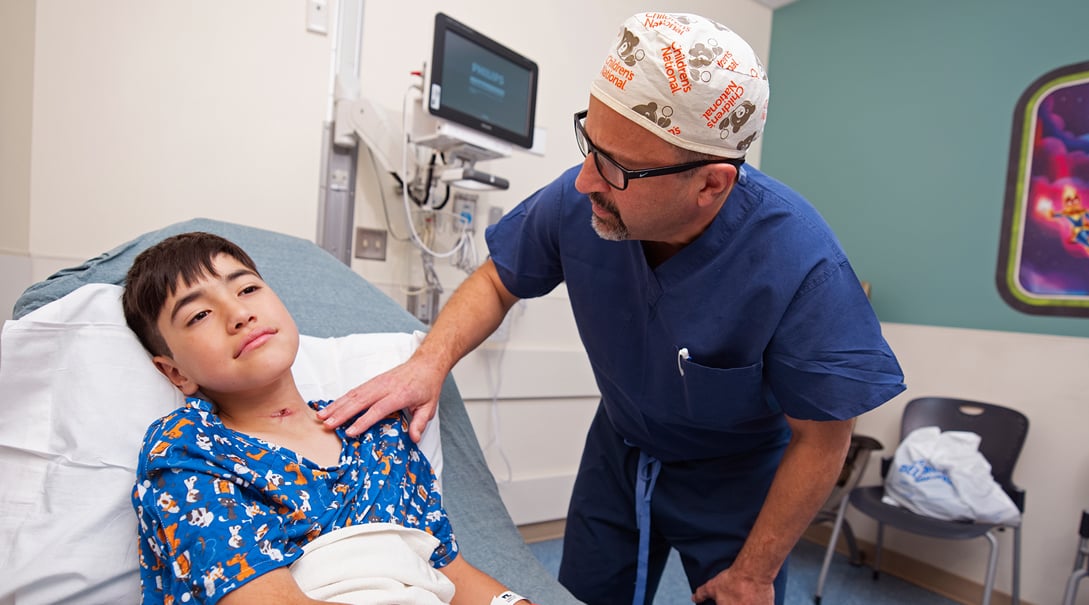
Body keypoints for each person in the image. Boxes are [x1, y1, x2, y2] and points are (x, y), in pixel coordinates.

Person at [318, 12, 905, 605]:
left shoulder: (800, 264)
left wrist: (754, 572)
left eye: (616, 167)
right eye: (589, 146)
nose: (583, 183)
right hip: (619, 453)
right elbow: (499, 279)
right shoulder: (583, 201)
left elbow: (823, 440)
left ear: (711, 185)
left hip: (740, 479)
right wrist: (429, 362)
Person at [122, 232, 532, 605]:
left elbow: (448, 572)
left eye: (247, 288)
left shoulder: (379, 431)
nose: (239, 314)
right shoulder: (189, 450)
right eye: (199, 315)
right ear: (176, 373)